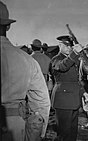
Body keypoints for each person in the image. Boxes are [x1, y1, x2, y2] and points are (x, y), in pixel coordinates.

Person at [1, 1, 51, 141]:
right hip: (16, 124)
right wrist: (38, 132)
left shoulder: (30, 58)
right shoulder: (27, 60)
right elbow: (42, 101)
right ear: (8, 26)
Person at [50, 35, 83, 141]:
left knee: (73, 133)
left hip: (73, 100)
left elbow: (76, 79)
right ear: (60, 45)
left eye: (71, 46)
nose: (70, 48)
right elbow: (63, 67)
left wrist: (83, 92)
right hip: (63, 101)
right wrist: (75, 53)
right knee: (64, 134)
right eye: (67, 45)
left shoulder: (73, 59)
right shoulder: (56, 59)